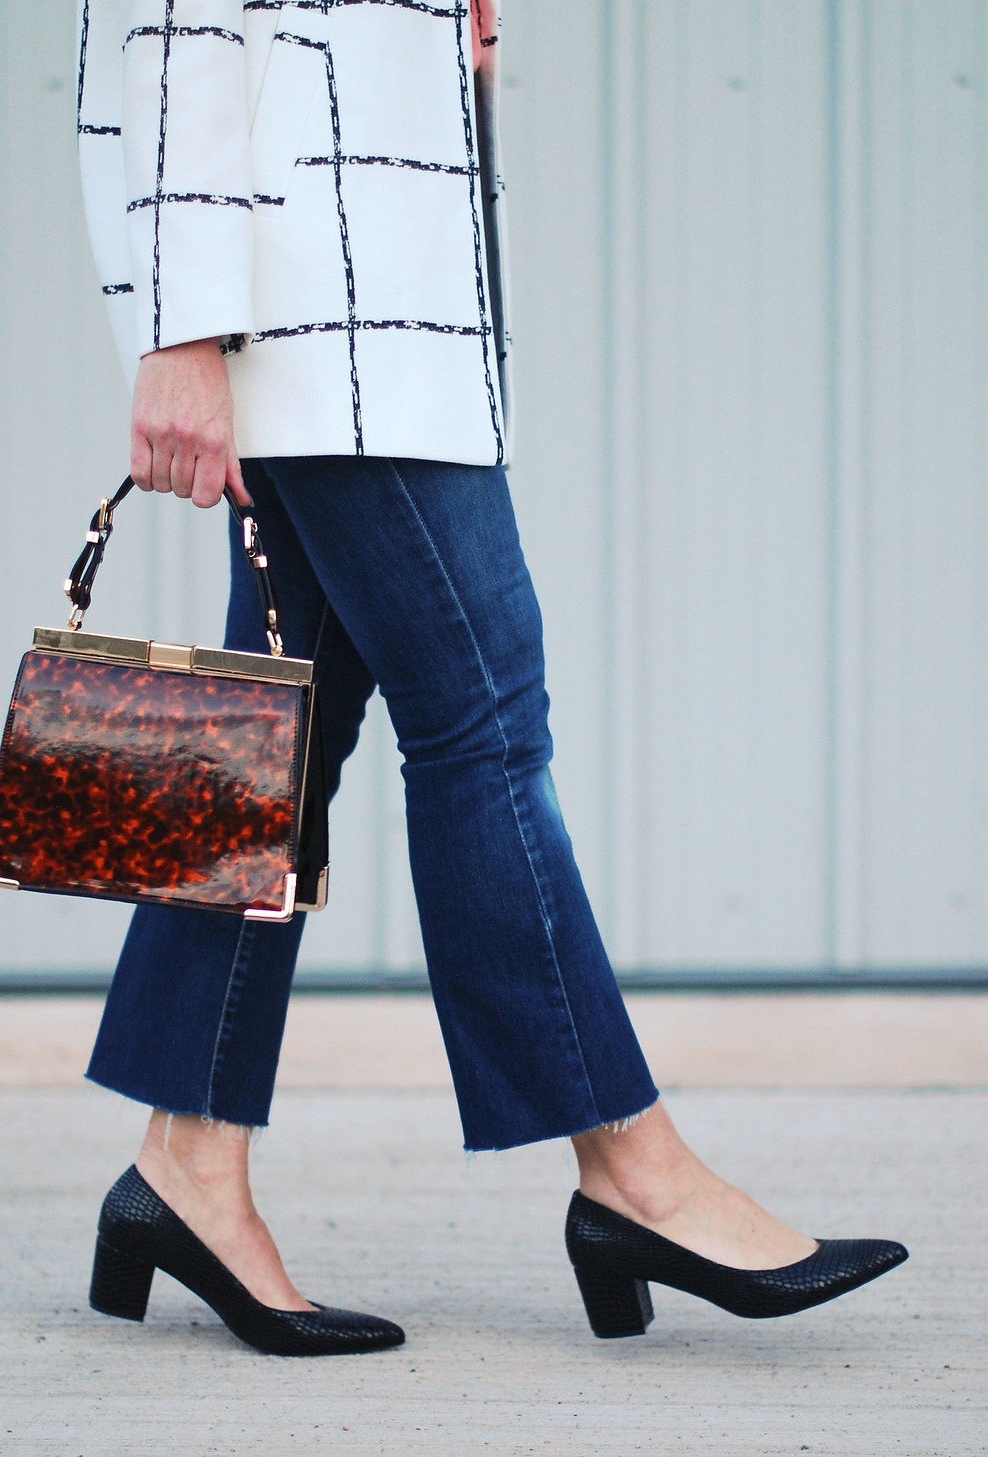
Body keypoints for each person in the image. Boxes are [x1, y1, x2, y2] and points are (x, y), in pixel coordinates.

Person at [76, 1, 906, 1356]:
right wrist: (178, 327)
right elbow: (177, 23)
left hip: (368, 303)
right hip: (321, 313)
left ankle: (185, 1162)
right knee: (483, 722)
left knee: (268, 745)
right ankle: (634, 1172)